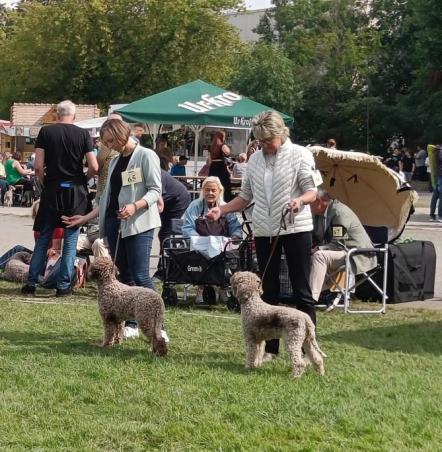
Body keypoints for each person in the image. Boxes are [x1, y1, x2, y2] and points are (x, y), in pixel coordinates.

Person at [207, 111, 318, 361]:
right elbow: (245, 196)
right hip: (264, 230)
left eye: (268, 140)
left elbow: (313, 191)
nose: (265, 146)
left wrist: (299, 200)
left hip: (296, 228)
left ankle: (309, 349)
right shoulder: (255, 160)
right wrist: (221, 209)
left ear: (281, 133)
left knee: (302, 289)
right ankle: (271, 349)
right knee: (268, 290)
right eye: (260, 141)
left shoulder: (300, 154)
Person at [62, 118, 164, 338]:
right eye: (106, 142)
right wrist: (85, 218)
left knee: (140, 274)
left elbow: (156, 190)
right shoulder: (116, 160)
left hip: (139, 223)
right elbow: (106, 198)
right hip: (114, 224)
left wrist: (135, 206)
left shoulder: (146, 155)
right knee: (125, 274)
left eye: (111, 140)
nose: (109, 145)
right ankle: (132, 324)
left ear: (122, 134)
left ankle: (159, 328)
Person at [21, 100, 98, 297]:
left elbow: (38, 166)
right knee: (71, 237)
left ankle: (31, 282)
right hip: (75, 190)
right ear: (75, 115)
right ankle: (63, 285)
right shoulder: (83, 134)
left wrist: (46, 181)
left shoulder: (46, 133)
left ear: (56, 114)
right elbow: (94, 167)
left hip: (53, 189)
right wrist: (82, 180)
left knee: (45, 235)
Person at [309, 189, 377, 307]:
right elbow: (316, 236)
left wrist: (318, 249)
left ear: (319, 201)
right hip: (342, 252)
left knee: (319, 256)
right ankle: (322, 293)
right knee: (309, 254)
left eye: (310, 203)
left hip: (356, 254)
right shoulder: (319, 214)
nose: (308, 207)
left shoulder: (339, 213)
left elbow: (339, 243)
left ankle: (311, 299)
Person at [182, 176, 242, 302]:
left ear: (220, 191)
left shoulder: (226, 207)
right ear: (203, 191)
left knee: (226, 255)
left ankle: (223, 288)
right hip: (200, 244)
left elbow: (235, 227)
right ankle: (201, 288)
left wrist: (235, 236)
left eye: (213, 190)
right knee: (200, 254)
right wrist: (198, 239)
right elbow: (187, 227)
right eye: (207, 190)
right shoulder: (195, 206)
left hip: (221, 245)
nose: (210, 193)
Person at [154, 169, 191, 279]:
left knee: (166, 234)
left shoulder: (154, 173)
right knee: (164, 234)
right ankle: (169, 265)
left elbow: (158, 201)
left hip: (178, 200)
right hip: (169, 201)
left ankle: (166, 268)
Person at [208, 130, 233, 201]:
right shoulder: (222, 145)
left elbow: (209, 161)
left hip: (213, 168)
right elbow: (228, 152)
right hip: (221, 168)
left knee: (214, 185)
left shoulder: (212, 147)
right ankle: (224, 201)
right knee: (224, 186)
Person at [429, 144, 442, 222]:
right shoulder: (440, 151)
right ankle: (440, 216)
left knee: (435, 196)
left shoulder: (436, 151)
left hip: (438, 176)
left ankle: (432, 215)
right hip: (441, 175)